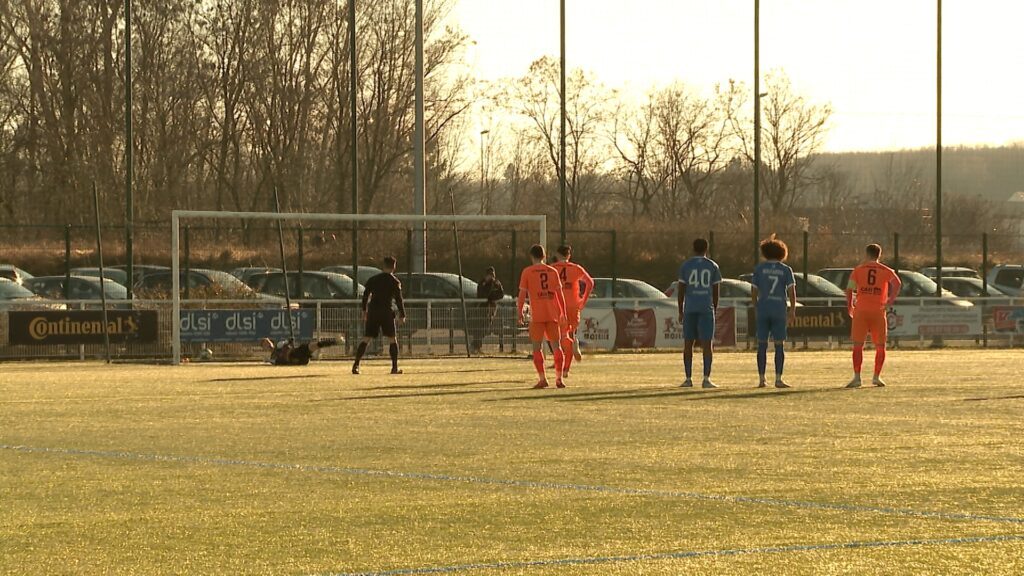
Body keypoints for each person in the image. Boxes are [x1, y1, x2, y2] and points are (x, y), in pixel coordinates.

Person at [845, 243, 902, 388]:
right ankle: (876, 376)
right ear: (879, 255)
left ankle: (857, 377)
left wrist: (850, 305)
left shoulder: (858, 270)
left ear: (866, 254)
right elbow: (897, 283)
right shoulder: (885, 270)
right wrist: (890, 300)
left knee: (858, 345)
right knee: (880, 346)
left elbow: (850, 289)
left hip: (861, 310)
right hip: (878, 310)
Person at [517, 244, 568, 389]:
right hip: (552, 314)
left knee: (536, 348)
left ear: (531, 257)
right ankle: (559, 379)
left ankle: (542, 379)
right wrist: (563, 312)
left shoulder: (527, 272)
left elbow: (522, 294)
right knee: (556, 347)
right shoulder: (552, 271)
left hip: (537, 316)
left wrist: (519, 311)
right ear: (544, 256)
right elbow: (560, 295)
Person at [750, 235, 797, 388]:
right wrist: (792, 309)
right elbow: (791, 291)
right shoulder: (785, 270)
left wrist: (756, 306)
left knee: (762, 344)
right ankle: (778, 379)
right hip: (778, 309)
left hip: (763, 308)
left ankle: (762, 379)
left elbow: (754, 290)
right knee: (779, 345)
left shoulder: (759, 268)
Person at [677, 238, 722, 389]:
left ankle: (688, 378)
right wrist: (714, 309)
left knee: (688, 343)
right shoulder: (712, 266)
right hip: (705, 308)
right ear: (706, 249)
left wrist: (680, 310)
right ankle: (706, 378)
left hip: (690, 308)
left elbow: (681, 289)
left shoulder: (686, 265)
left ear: (693, 249)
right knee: (707, 343)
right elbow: (716, 291)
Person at [352, 256, 406, 375]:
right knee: (392, 339)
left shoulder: (373, 279)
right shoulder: (395, 281)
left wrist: (364, 310)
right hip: (386, 312)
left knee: (366, 338)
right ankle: (394, 368)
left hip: (373, 312)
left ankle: (355, 365)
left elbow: (365, 294)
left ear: (383, 265)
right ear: (394, 267)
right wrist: (402, 314)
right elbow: (399, 299)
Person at [550, 244, 594, 378]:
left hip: (558, 306)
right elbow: (590, 283)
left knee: (560, 338)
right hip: (573, 305)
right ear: (569, 255)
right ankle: (567, 367)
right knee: (570, 333)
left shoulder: (553, 269)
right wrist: (583, 300)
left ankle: (563, 363)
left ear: (557, 255)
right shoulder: (576, 268)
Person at [470, 267, 505, 352]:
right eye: (490, 275)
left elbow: (501, 294)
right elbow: (482, 295)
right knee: (479, 327)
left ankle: (477, 346)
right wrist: (490, 296)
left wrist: (492, 297)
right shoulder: (483, 283)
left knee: (485, 328)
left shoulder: (496, 283)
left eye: (492, 275)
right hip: (482, 308)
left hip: (491, 309)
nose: (491, 277)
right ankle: (475, 346)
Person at [260, 337, 339, 366]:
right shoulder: (273, 357)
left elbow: (286, 343)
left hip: (297, 352)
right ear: (264, 348)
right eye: (265, 344)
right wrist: (268, 360)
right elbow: (276, 362)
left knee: (313, 345)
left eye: (268, 342)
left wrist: (289, 341)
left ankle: (335, 341)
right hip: (294, 359)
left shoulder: (279, 345)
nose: (268, 344)